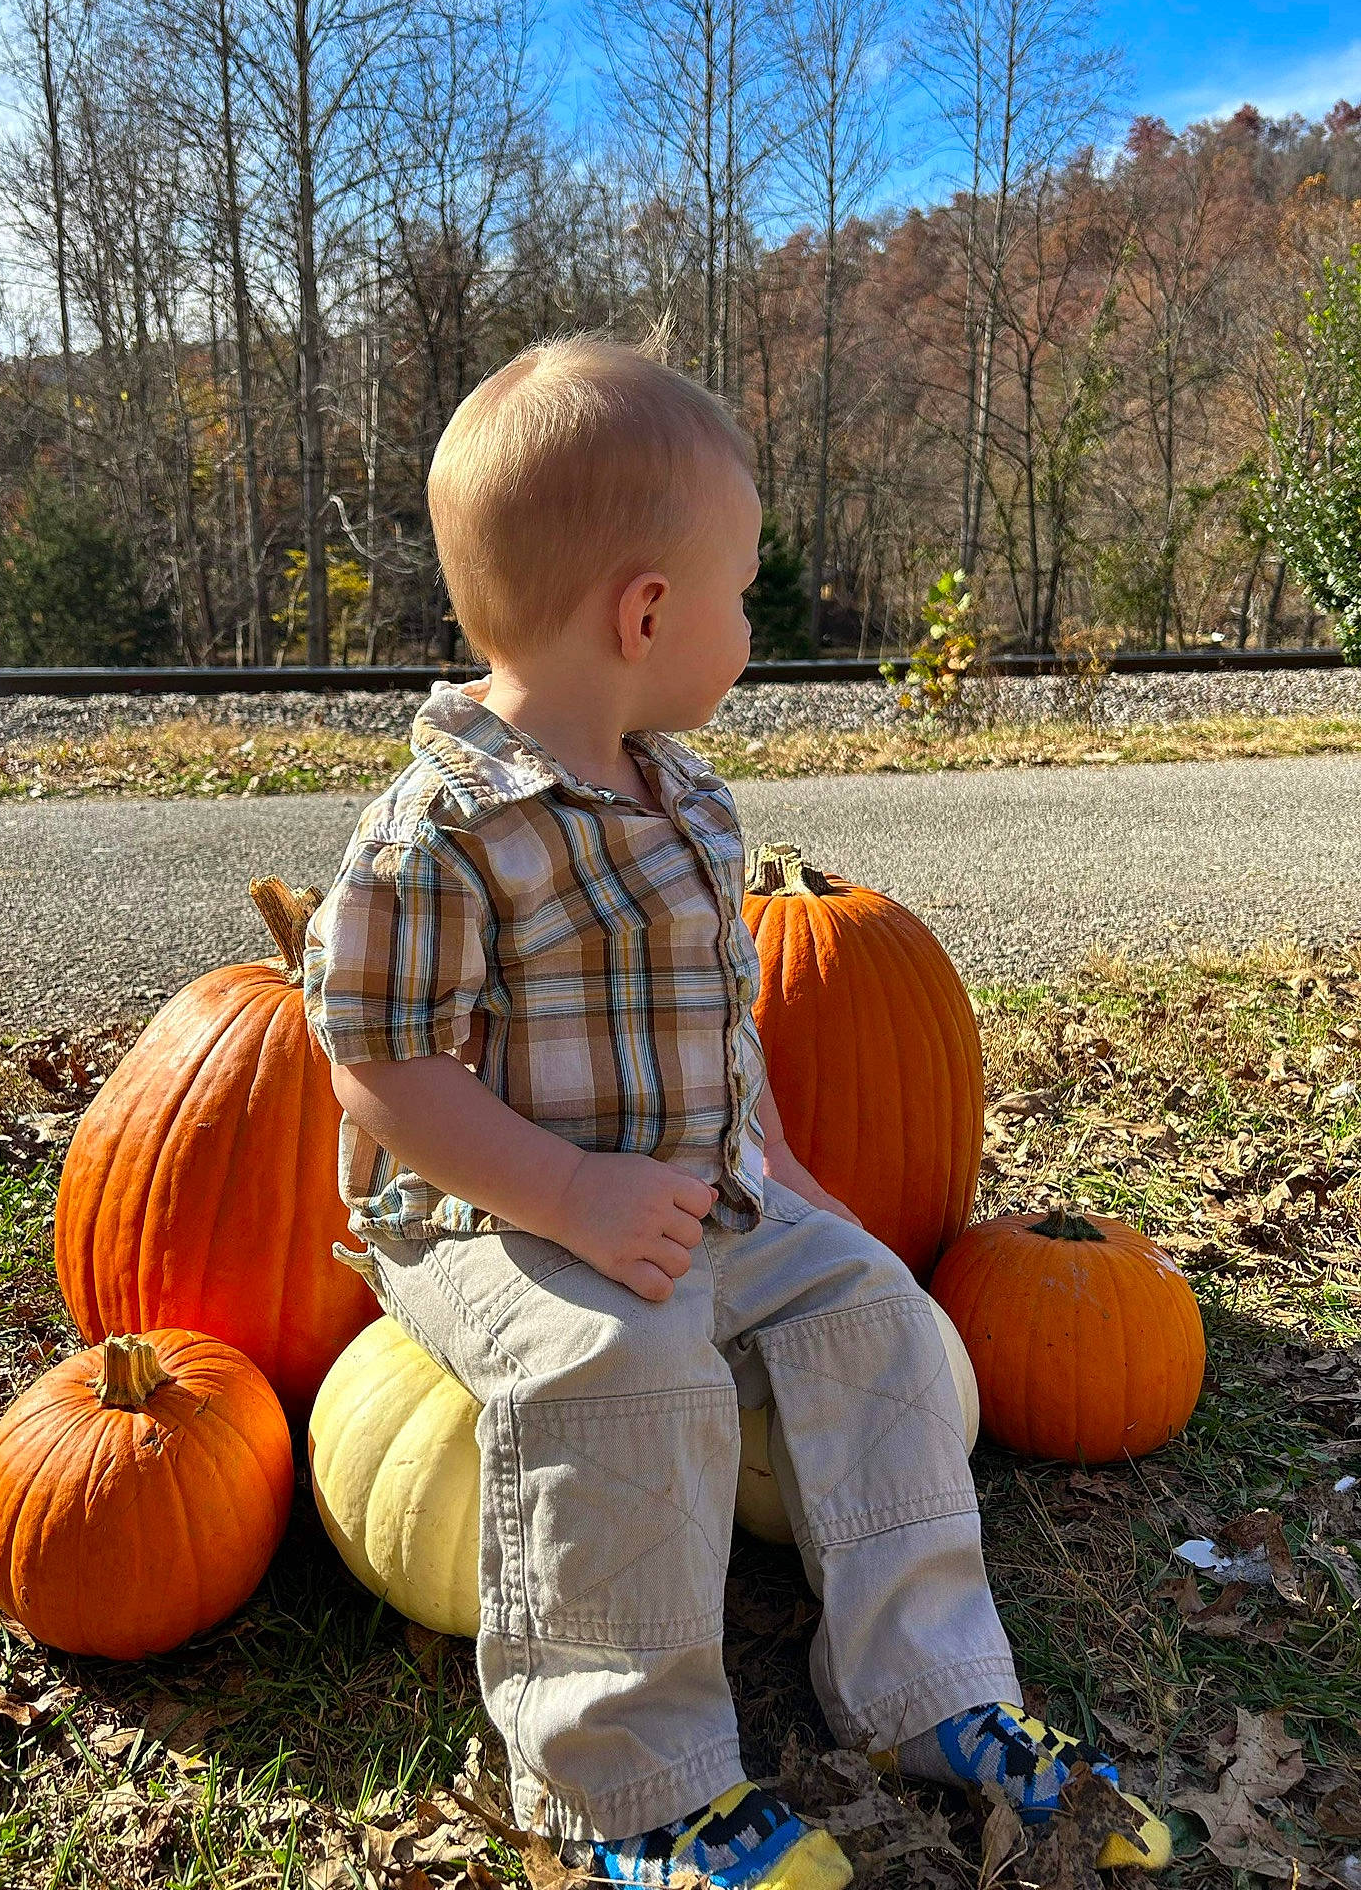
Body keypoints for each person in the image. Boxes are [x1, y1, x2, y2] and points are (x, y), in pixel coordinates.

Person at [302, 336, 1171, 1887]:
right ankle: (634, 1786)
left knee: (878, 1315)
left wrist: (786, 1173)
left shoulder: (690, 802)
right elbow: (378, 1068)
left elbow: (713, 1025)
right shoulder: (435, 835)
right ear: (646, 613)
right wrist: (566, 1199)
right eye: (744, 590)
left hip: (688, 1192)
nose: (751, 625)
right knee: (623, 1365)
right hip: (488, 1212)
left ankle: (936, 1694)